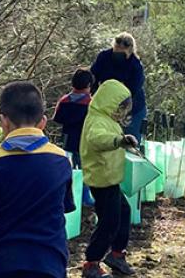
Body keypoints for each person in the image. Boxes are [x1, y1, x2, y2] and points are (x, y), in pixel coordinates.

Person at [0, 82, 76, 278]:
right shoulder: (61, 160)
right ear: (42, 122)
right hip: (51, 263)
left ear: (4, 121)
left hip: (5, 262)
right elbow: (65, 207)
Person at [79, 79, 140, 278]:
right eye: (120, 106)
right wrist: (118, 141)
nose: (122, 111)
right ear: (109, 102)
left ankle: (116, 254)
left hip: (110, 177)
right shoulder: (96, 121)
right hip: (101, 179)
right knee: (109, 222)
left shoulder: (107, 119)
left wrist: (126, 143)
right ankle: (92, 262)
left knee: (123, 212)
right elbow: (98, 139)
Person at [51, 67, 96, 206]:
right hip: (84, 143)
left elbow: (57, 117)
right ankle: (85, 198)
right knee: (85, 171)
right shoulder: (90, 103)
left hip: (66, 141)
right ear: (89, 85)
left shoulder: (64, 100)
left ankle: (67, 199)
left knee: (68, 172)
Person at [89, 33, 146, 141]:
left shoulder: (135, 65)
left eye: (122, 50)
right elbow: (93, 77)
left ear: (130, 50)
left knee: (130, 141)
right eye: (117, 48)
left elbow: (134, 88)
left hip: (132, 108)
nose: (119, 51)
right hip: (106, 106)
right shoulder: (104, 57)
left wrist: (123, 111)